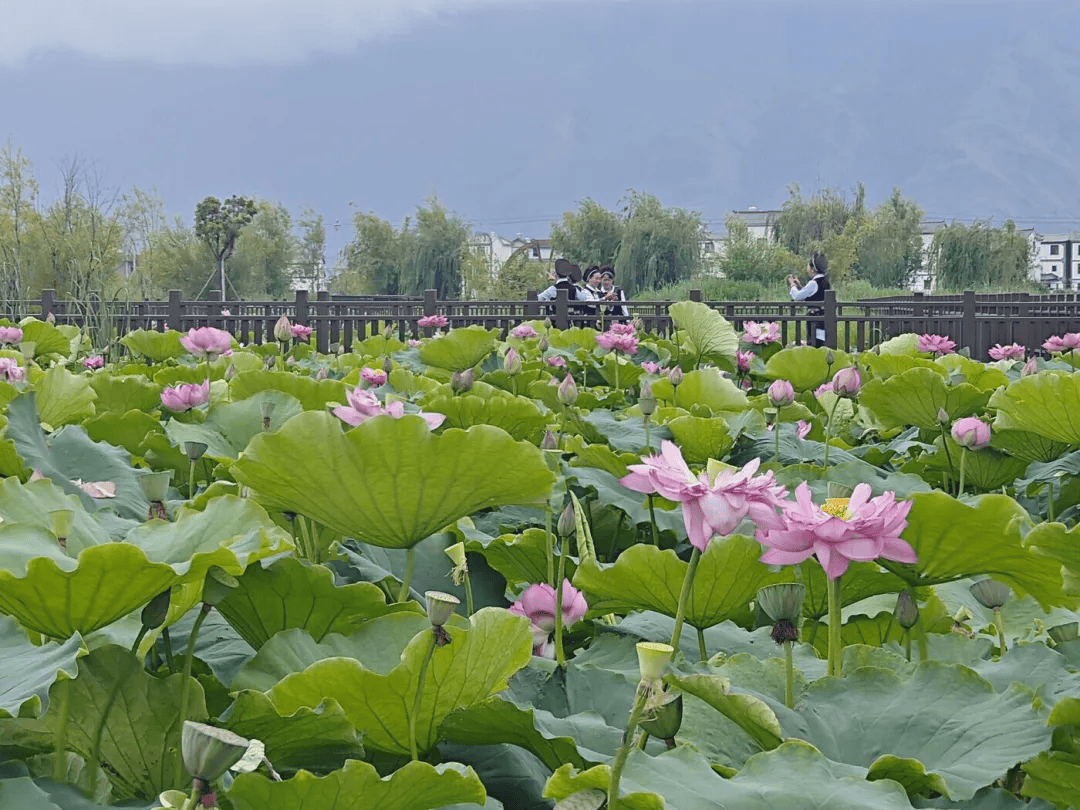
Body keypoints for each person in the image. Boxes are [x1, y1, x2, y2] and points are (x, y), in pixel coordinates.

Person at [788, 252, 830, 347]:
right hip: (824, 320)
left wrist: (793, 285)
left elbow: (797, 296)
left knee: (814, 345)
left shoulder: (813, 283)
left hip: (815, 320)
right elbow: (813, 296)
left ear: (813, 269)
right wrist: (800, 286)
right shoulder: (826, 282)